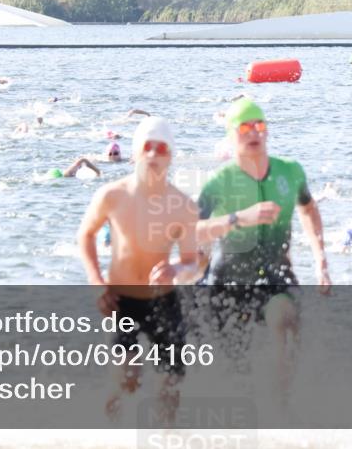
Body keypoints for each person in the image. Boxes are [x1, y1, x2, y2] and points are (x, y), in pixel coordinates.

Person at [195, 98, 330, 401]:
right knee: (234, 369)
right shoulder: (220, 181)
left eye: (259, 126)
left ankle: (280, 405)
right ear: (232, 136)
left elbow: (308, 209)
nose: (253, 133)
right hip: (227, 280)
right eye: (244, 128)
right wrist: (239, 218)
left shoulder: (290, 171)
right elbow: (191, 229)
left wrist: (321, 260)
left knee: (285, 319)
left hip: (275, 273)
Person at [77, 116, 200, 423]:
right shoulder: (112, 195)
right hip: (123, 301)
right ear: (134, 153)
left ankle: (167, 439)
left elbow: (195, 261)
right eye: (147, 147)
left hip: (165, 301)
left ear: (170, 156)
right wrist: (96, 281)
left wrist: (176, 270)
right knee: (129, 377)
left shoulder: (182, 206)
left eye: (162, 149)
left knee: (170, 387)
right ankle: (107, 421)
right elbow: (86, 235)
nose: (153, 155)